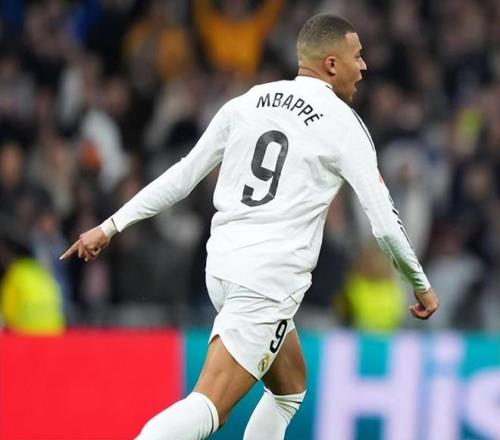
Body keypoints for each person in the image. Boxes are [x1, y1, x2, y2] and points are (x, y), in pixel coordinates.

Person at [61, 14, 439, 440]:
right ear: (332, 64)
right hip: (267, 280)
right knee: (209, 406)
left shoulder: (248, 102)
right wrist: (420, 284)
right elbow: (384, 224)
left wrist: (110, 226)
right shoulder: (343, 123)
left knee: (290, 388)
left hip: (224, 268)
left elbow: (183, 175)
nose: (364, 66)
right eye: (358, 55)